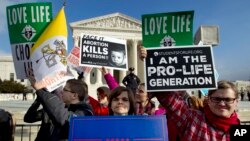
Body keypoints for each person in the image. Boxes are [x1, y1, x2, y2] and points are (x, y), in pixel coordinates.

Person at [139, 46, 240, 140]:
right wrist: (152, 62)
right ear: (208, 99)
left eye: (228, 100)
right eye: (216, 99)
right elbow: (168, 98)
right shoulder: (192, 119)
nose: (222, 103)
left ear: (236, 101)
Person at [27, 77, 93, 141]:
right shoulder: (68, 108)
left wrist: (40, 90)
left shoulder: (85, 111)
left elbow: (65, 118)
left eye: (65, 90)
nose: (62, 92)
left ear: (74, 95)